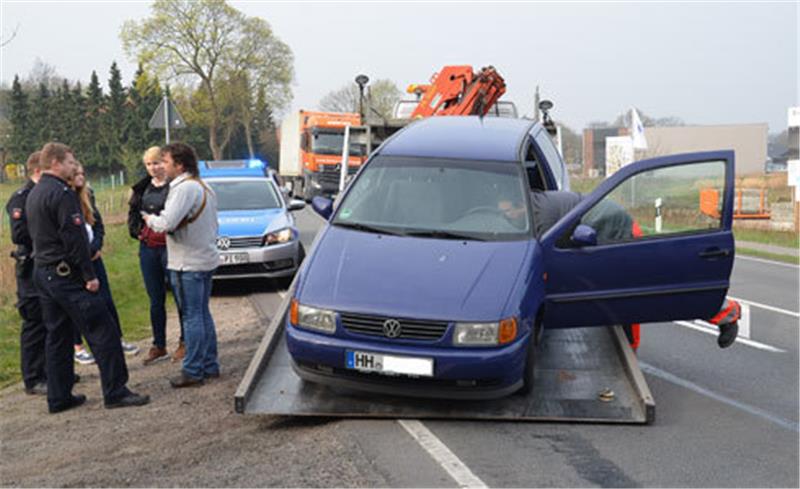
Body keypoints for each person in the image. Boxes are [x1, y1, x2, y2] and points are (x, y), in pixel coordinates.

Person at [26, 142, 149, 413]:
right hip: (67, 276)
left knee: (57, 336)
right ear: (56, 163)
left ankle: (59, 397)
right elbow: (74, 239)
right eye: (71, 162)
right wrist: (88, 275)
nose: (74, 167)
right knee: (103, 331)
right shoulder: (62, 194)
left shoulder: (35, 192)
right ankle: (116, 391)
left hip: (44, 274)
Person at [142, 142, 220, 388]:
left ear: (179, 165)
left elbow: (167, 223)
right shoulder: (203, 186)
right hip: (203, 258)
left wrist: (149, 218)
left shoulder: (183, 189)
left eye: (165, 162)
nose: (162, 166)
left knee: (192, 317)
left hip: (187, 261)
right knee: (202, 314)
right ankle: (209, 365)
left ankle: (193, 369)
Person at [70, 162, 140, 363]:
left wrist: (97, 246)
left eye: (83, 173)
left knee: (106, 300)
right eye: (77, 174)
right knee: (77, 305)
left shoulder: (88, 196)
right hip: (77, 262)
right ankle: (78, 347)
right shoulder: (64, 199)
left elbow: (98, 225)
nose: (81, 177)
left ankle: (116, 338)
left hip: (94, 258)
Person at [128, 147, 184, 365]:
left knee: (180, 296)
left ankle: (184, 341)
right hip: (149, 248)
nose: (154, 168)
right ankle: (158, 344)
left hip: (171, 247)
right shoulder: (141, 189)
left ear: (165, 163)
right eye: (149, 164)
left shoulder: (176, 187)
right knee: (155, 299)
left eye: (158, 163)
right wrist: (139, 233)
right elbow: (133, 215)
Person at [6, 151, 47, 395]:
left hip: (45, 264)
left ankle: (51, 370)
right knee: (34, 323)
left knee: (49, 321)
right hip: (30, 266)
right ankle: (33, 377)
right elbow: (18, 234)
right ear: (37, 171)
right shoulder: (21, 197)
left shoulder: (44, 194)